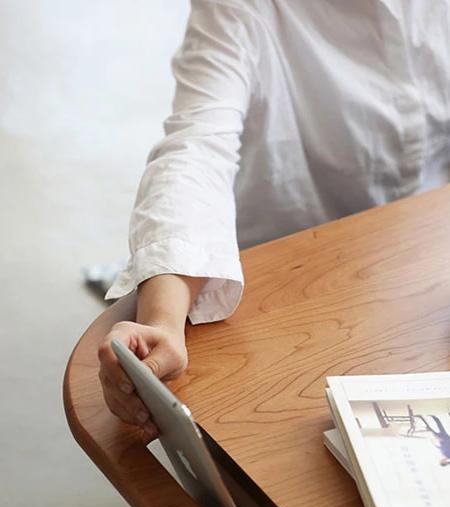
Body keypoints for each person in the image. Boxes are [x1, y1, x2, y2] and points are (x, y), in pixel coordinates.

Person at [97, 1, 450, 438]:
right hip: (287, 279)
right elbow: (196, 151)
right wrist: (162, 320)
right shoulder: (240, 9)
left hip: (425, 269)